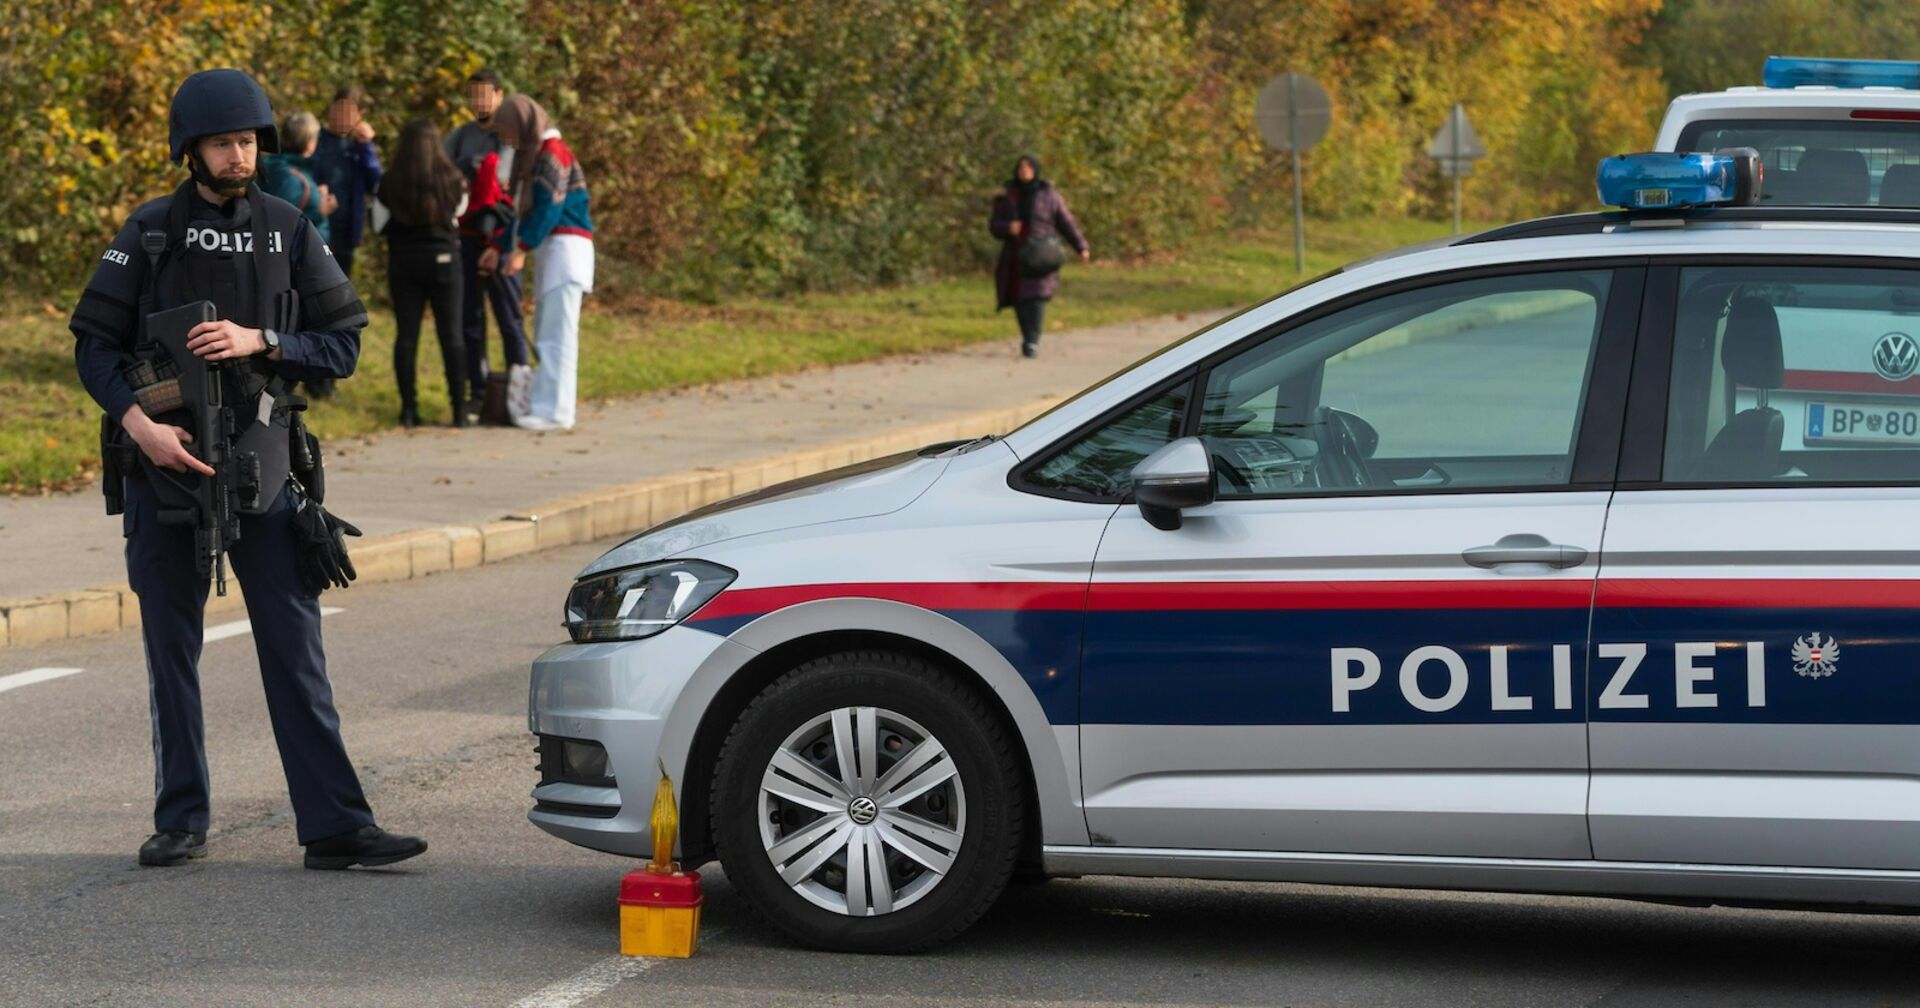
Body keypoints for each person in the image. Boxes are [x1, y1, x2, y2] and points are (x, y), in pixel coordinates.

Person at [68, 68, 426, 871]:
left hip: (262, 466)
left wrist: (260, 339)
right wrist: (138, 426)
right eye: (225, 142)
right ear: (189, 148)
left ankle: (336, 826)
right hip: (163, 470)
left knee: (296, 650)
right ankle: (181, 818)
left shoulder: (288, 226)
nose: (240, 155)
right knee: (171, 651)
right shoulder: (151, 230)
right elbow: (92, 343)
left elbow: (343, 341)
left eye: (249, 141)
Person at [482, 94, 593, 431]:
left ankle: (555, 411)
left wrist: (520, 249)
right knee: (549, 331)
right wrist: (500, 246)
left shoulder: (551, 155)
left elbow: (549, 208)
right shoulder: (536, 156)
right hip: (554, 250)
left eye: (508, 131)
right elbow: (522, 214)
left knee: (557, 335)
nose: (507, 140)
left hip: (565, 250)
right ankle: (548, 405)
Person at [374, 118, 469, 428]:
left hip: (405, 262)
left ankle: (409, 410)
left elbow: (378, 225)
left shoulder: (390, 182)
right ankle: (459, 410)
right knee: (452, 336)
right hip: (444, 261)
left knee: (407, 337)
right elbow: (459, 215)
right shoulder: (454, 179)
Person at [445, 69, 528, 417]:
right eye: (473, 95)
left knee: (509, 319)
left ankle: (520, 392)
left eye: (485, 95)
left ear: (499, 95)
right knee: (470, 319)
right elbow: (445, 175)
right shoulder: (460, 137)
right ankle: (478, 392)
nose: (479, 102)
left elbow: (512, 188)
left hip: (502, 236)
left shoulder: (509, 137)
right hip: (467, 238)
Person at [990, 155, 1090, 358]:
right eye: (1021, 168)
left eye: (1028, 167)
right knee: (1019, 297)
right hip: (1015, 255)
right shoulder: (1007, 195)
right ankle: (1027, 335)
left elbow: (1065, 222)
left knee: (1036, 297)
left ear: (1035, 170)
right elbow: (993, 225)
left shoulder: (1049, 195)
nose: (1024, 171)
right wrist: (1008, 227)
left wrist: (1081, 246)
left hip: (1040, 254)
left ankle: (1032, 340)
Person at [313, 86, 382, 280]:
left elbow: (376, 183)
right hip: (317, 223)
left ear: (361, 114)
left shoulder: (359, 147)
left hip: (347, 228)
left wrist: (367, 146)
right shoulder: (315, 140)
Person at [258, 111, 334, 246]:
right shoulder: (289, 178)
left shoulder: (277, 166)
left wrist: (315, 193)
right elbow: (280, 223)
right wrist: (320, 212)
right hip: (297, 258)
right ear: (310, 142)